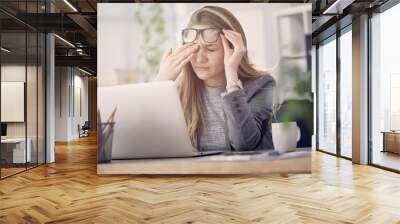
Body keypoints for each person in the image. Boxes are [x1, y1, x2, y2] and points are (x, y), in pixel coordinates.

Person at [155, 5, 276, 152]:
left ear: (232, 49)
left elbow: (244, 144)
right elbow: (150, 142)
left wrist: (232, 76)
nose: (200, 58)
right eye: (195, 48)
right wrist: (160, 85)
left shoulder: (262, 85)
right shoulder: (179, 90)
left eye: (211, 48)